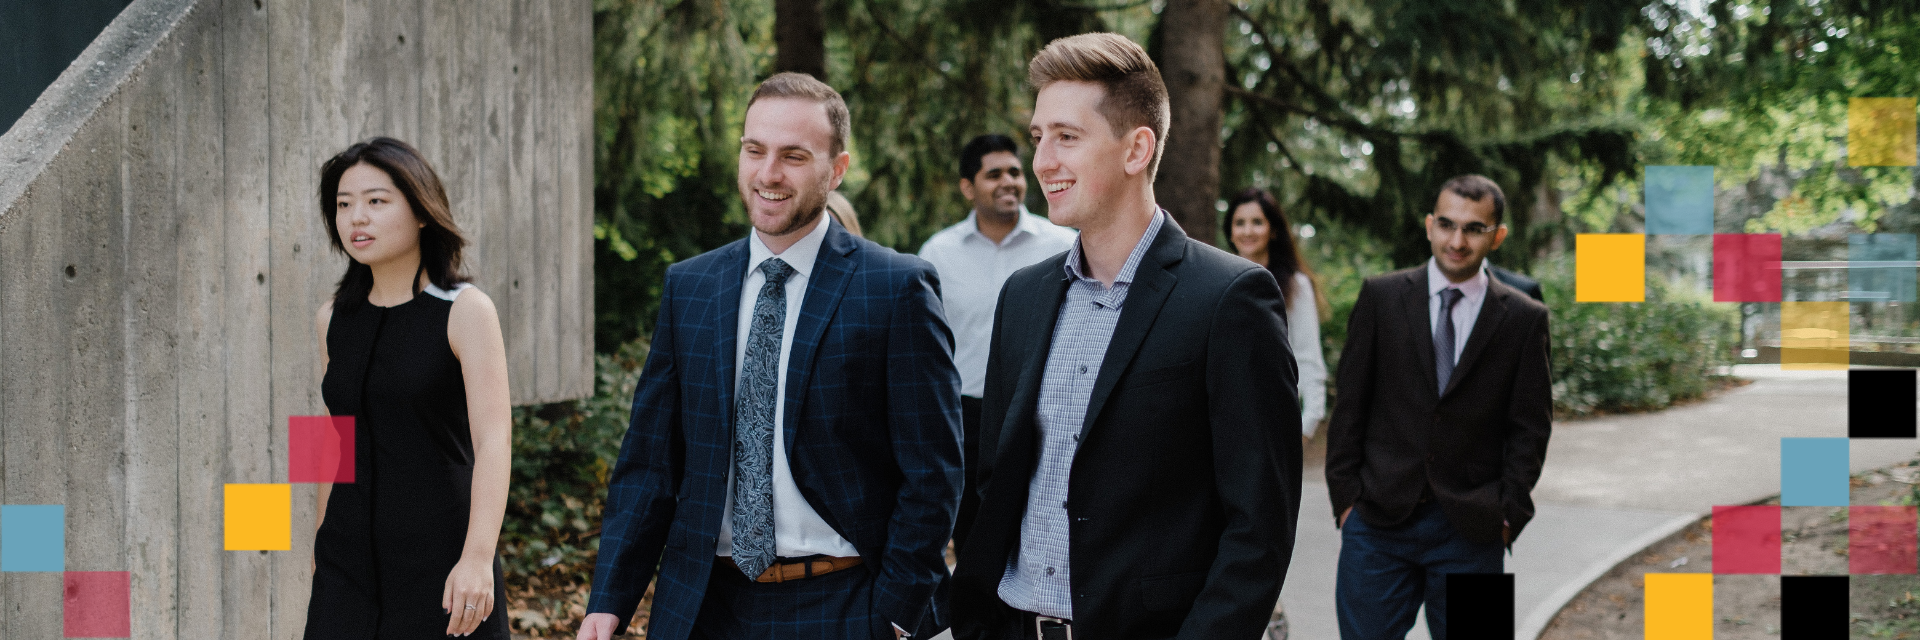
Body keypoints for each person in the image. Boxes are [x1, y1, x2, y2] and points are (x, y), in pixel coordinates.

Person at [578, 72, 963, 640]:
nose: (768, 174)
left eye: (794, 156)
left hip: (849, 603)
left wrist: (896, 614)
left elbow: (933, 474)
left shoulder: (895, 288)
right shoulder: (691, 287)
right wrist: (607, 601)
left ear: (837, 170)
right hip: (707, 607)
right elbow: (648, 465)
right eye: (754, 150)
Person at [952, 33, 1302, 640]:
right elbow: (995, 485)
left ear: (1137, 148)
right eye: (1039, 137)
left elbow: (1259, 529)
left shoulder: (1229, 299)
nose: (1042, 162)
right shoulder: (1024, 297)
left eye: (1067, 137)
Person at [1324, 174, 1552, 640]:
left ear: (1497, 236)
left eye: (1474, 229)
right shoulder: (1381, 297)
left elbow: (1530, 427)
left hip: (1474, 528)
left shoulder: (1525, 319)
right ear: (1429, 226)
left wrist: (1510, 513)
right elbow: (1350, 406)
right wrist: (1346, 500)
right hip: (1378, 524)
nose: (1457, 240)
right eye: (1446, 224)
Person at [306, 137, 513, 639]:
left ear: (421, 211)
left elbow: (495, 440)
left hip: (444, 564)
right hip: (346, 566)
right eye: (343, 204)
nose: (357, 218)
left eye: (376, 201)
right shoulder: (331, 319)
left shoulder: (466, 310)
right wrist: (317, 548)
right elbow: (329, 441)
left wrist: (478, 557)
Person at [918, 133, 1076, 553]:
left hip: (1046, 411)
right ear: (968, 187)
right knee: (974, 539)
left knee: (1044, 530)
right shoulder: (939, 253)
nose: (1008, 181)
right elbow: (927, 349)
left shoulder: (1063, 245)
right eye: (994, 174)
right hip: (967, 418)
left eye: (1014, 171)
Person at [1225, 186, 1329, 444]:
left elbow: (1308, 358)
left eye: (1257, 222)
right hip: (1223, 422)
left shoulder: (1295, 286)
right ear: (1230, 231)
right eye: (1240, 223)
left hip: (1273, 424)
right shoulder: (1216, 282)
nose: (1248, 231)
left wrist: (1307, 425)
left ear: (1272, 230)